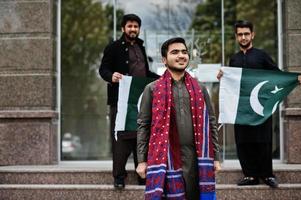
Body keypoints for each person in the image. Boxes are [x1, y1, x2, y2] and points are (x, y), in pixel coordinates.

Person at [136, 37, 221, 200]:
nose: (181, 56)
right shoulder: (152, 89)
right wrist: (142, 160)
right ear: (164, 60)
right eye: (175, 52)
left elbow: (211, 123)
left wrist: (216, 157)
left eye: (184, 52)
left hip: (196, 158)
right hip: (164, 158)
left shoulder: (200, 88)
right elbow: (143, 126)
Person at [217, 20, 281, 188]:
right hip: (241, 109)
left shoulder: (262, 56)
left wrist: (292, 79)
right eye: (240, 34)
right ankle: (250, 175)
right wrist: (223, 76)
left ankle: (267, 175)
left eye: (246, 34)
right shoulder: (234, 59)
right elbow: (232, 83)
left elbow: (277, 75)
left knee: (263, 141)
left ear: (252, 34)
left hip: (260, 108)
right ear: (236, 36)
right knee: (244, 141)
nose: (243, 37)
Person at [99, 14, 159, 189]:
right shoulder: (113, 47)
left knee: (141, 136)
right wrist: (112, 76)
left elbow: (147, 74)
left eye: (135, 26)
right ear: (123, 28)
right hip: (121, 100)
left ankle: (142, 175)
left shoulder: (141, 47)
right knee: (121, 138)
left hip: (141, 101)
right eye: (130, 26)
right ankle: (119, 177)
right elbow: (103, 69)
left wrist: (165, 78)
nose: (133, 29)